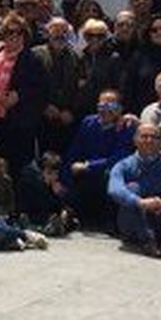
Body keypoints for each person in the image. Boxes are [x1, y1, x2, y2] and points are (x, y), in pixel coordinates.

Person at [106, 123, 161, 259]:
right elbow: (114, 189)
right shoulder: (124, 164)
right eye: (144, 136)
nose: (149, 140)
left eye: (154, 137)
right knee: (132, 188)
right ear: (135, 140)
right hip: (133, 226)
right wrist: (140, 202)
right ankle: (147, 240)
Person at [62, 89, 138, 234]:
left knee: (111, 174)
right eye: (102, 105)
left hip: (107, 170)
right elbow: (74, 151)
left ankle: (110, 221)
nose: (106, 110)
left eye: (111, 106)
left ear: (120, 108)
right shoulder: (88, 122)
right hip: (86, 171)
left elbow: (119, 157)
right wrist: (64, 179)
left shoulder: (126, 127)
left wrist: (89, 165)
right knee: (69, 177)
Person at [0, 13, 48, 175]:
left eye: (18, 32)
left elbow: (40, 88)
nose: (14, 36)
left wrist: (19, 95)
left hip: (19, 122)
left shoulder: (32, 59)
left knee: (18, 169)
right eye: (9, 32)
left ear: (24, 35)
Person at [34, 17, 86, 159]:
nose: (60, 34)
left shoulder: (76, 57)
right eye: (56, 30)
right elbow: (31, 85)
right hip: (42, 117)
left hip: (67, 119)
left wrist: (71, 111)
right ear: (48, 32)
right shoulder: (36, 54)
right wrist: (44, 106)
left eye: (64, 31)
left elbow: (81, 89)